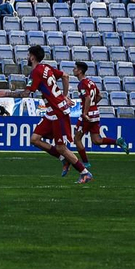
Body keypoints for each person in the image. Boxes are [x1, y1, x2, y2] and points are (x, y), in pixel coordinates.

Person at [27, 45, 91, 182]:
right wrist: (65, 95)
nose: (27, 57)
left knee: (61, 147)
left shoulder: (36, 72)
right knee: (35, 139)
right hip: (51, 112)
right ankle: (64, 159)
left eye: (28, 55)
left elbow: (26, 93)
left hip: (58, 112)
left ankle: (84, 172)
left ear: (32, 56)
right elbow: (65, 76)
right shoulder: (46, 68)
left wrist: (6, 93)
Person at [72, 61, 130, 167]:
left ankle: (85, 163)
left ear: (80, 71)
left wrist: (85, 113)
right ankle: (118, 142)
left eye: (75, 68)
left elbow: (88, 98)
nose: (73, 70)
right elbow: (99, 96)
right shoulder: (91, 82)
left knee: (77, 138)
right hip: (95, 113)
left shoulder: (82, 84)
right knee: (96, 140)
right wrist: (93, 106)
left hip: (88, 114)